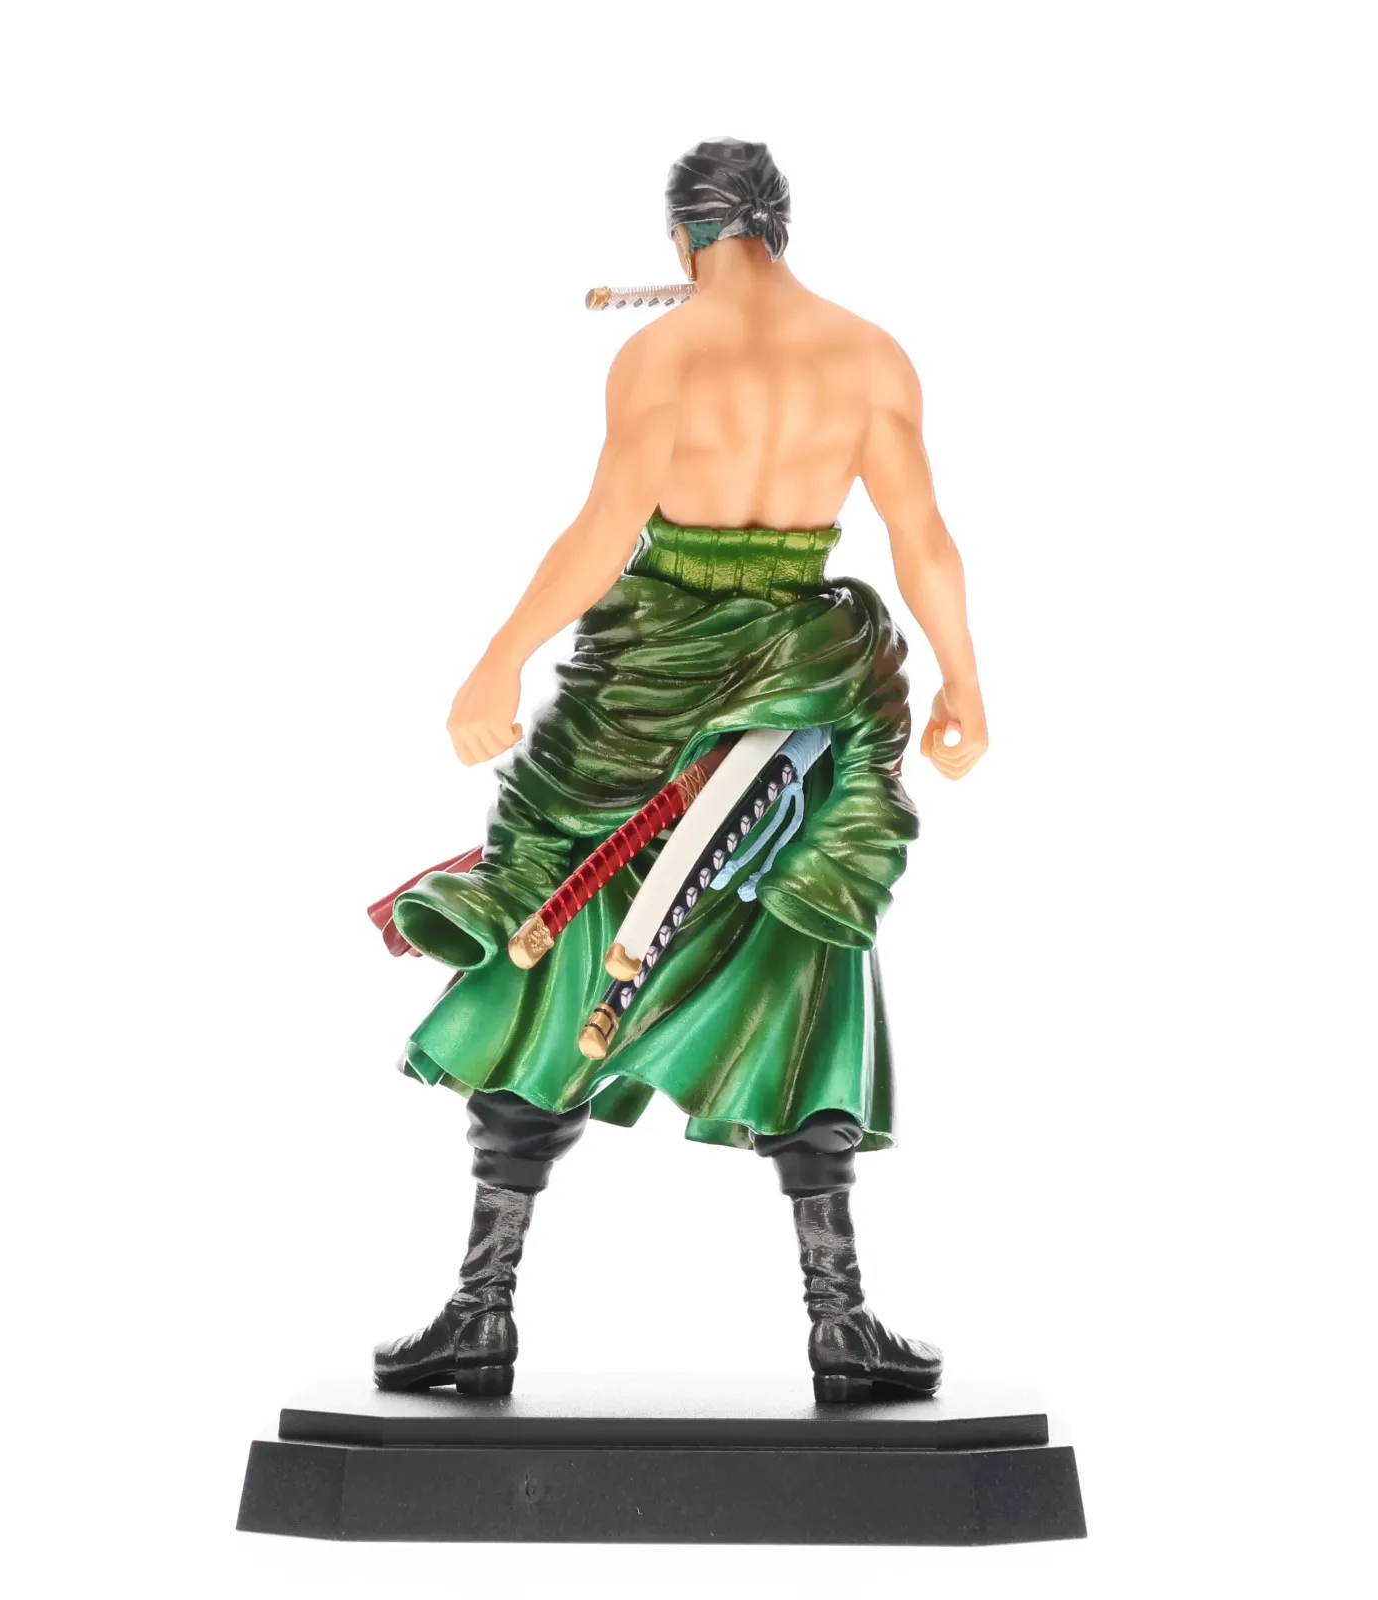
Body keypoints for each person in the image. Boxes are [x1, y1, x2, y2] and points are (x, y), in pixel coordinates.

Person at [374, 139, 988, 1403]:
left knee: (560, 947)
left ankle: (485, 1307)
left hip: (652, 697)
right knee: (798, 956)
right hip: (803, 680)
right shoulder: (869, 355)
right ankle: (837, 1321)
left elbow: (608, 528)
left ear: (680, 241)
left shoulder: (661, 352)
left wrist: (498, 659)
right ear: (779, 229)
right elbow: (919, 532)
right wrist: (962, 680)